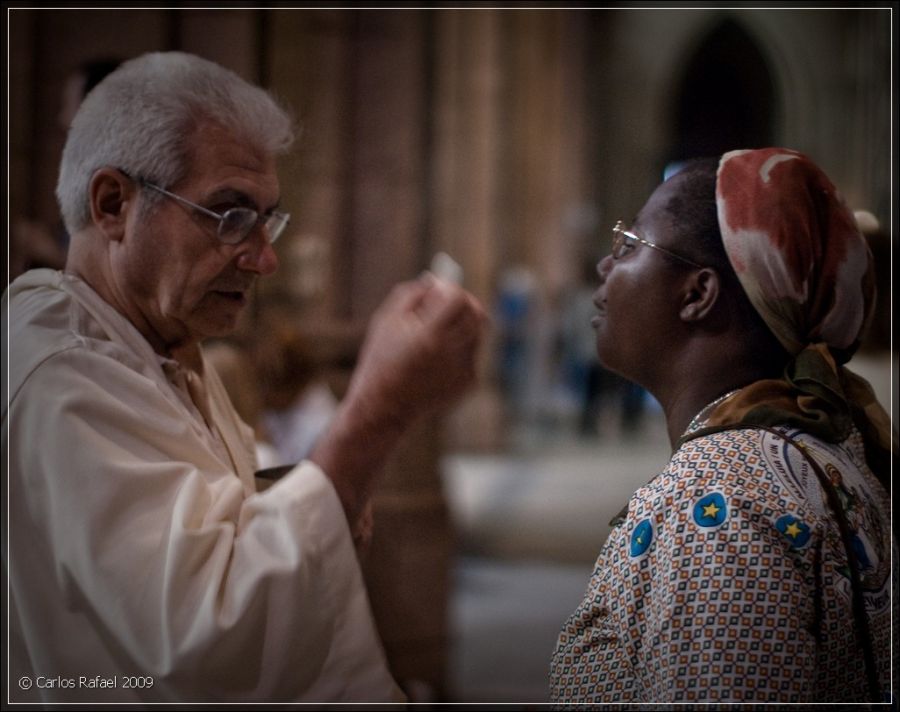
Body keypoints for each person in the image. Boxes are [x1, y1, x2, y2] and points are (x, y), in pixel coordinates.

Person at [4, 52, 486, 704]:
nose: (263, 258)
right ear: (114, 204)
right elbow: (210, 632)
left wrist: (302, 493)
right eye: (229, 214)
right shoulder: (62, 369)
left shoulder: (156, 344)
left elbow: (179, 528)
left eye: (267, 219)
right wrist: (379, 409)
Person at [550, 148, 894, 703]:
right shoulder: (827, 452)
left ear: (698, 294)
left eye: (631, 244)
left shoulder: (714, 507)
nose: (605, 266)